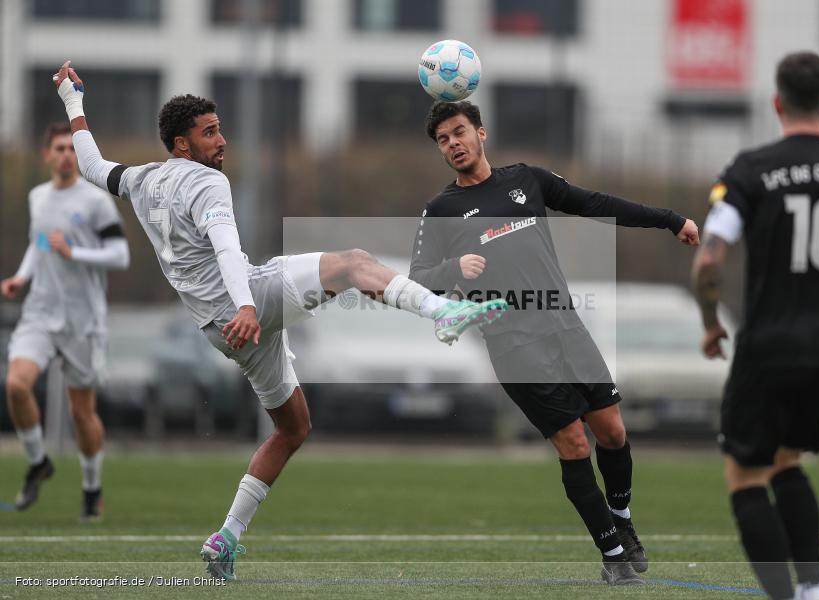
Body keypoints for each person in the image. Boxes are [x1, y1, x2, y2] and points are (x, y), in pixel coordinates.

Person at [51, 61, 506, 580]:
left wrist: (73, 101)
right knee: (354, 263)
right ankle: (443, 312)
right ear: (181, 145)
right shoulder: (206, 183)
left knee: (293, 429)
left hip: (221, 328)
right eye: (209, 133)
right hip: (246, 306)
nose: (221, 140)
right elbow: (225, 248)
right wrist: (247, 306)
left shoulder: (141, 179)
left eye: (220, 128)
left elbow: (89, 164)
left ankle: (225, 539)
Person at [410, 100, 700, 585]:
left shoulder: (528, 180)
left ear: (482, 133)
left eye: (459, 132)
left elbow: (596, 204)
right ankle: (613, 557)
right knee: (572, 442)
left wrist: (669, 219)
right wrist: (452, 271)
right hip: (512, 343)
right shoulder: (441, 210)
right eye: (443, 140)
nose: (453, 144)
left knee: (612, 431)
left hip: (564, 326)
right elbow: (418, 281)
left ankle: (623, 524)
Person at [691, 52, 819, 600]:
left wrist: (711, 323)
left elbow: (709, 260)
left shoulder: (749, 170)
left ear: (777, 102)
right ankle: (813, 591)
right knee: (787, 459)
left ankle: (787, 598)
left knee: (745, 474)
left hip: (770, 340)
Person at [1, 122, 130, 521]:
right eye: (58, 148)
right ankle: (39, 462)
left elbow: (120, 256)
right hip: (40, 312)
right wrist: (22, 278)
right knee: (16, 385)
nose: (65, 155)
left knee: (81, 414)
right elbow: (40, 244)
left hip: (83, 321)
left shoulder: (95, 202)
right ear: (46, 155)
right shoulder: (38, 197)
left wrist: (77, 254)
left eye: (71, 149)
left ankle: (92, 488)